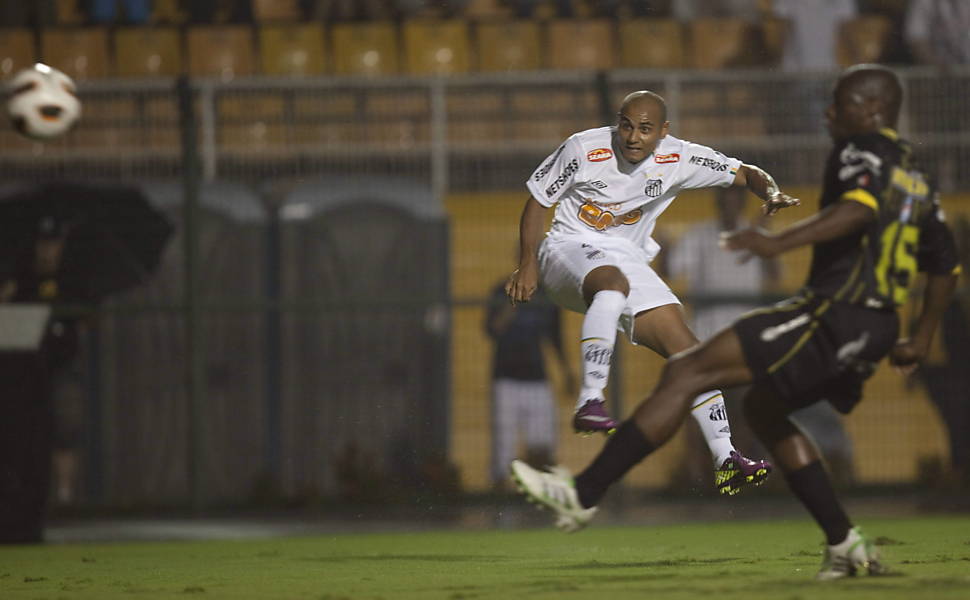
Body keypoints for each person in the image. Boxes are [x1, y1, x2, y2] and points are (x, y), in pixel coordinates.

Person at [510, 64, 961, 580]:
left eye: (841, 103)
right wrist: (921, 337)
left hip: (833, 315)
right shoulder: (917, 174)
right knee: (759, 407)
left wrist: (776, 240)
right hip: (875, 327)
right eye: (627, 124)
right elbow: (945, 265)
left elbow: (855, 209)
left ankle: (582, 492)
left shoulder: (859, 154)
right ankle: (840, 541)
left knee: (690, 368)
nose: (829, 112)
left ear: (874, 111)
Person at [505, 89, 799, 494]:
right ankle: (591, 400)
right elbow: (538, 201)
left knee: (691, 355)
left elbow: (745, 172)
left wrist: (771, 192)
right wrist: (528, 263)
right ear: (617, 122)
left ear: (663, 132)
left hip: (625, 256)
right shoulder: (583, 147)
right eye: (626, 125)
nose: (633, 137)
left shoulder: (679, 157)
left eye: (645, 129)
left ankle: (727, 457)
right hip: (566, 248)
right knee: (613, 286)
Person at [485, 281, 572, 489]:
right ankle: (500, 497)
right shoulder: (500, 290)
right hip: (505, 378)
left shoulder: (548, 295)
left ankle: (539, 497)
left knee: (542, 444)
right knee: (503, 446)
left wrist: (567, 370)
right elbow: (492, 329)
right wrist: (512, 302)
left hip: (537, 378)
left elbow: (555, 337)